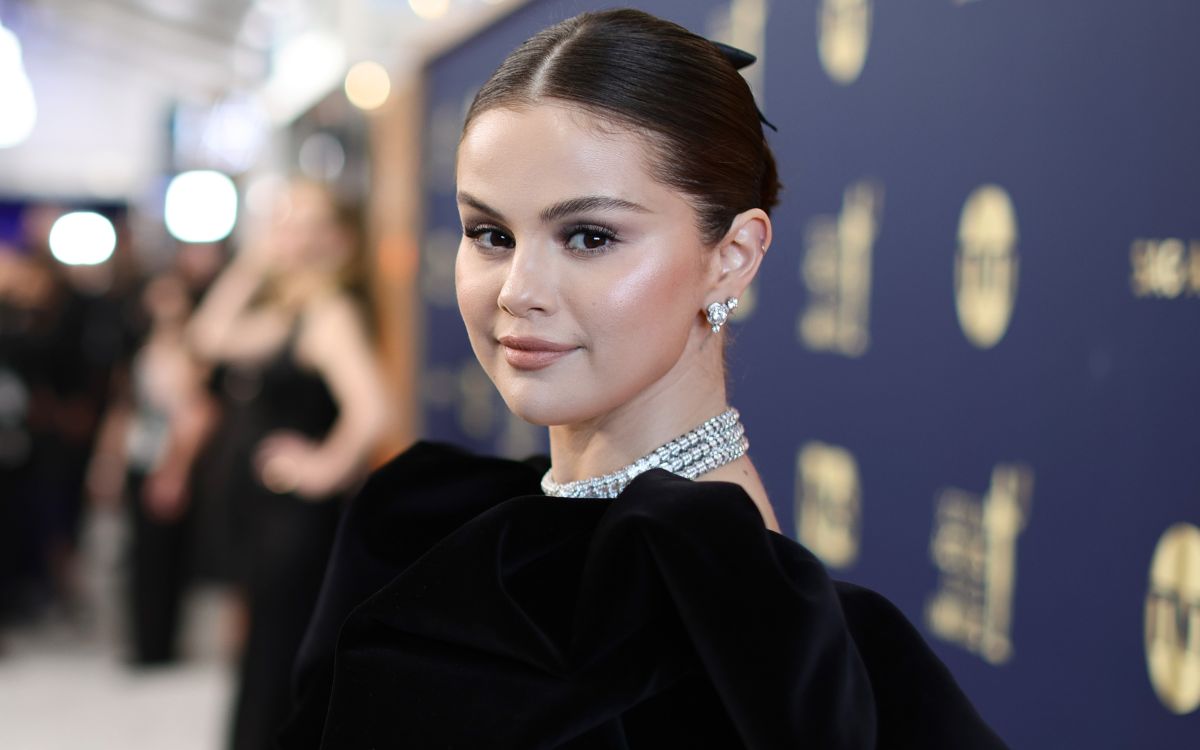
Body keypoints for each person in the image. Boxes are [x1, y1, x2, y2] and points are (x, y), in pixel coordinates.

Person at [282, 9, 1008, 749]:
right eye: (491, 235)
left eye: (590, 236)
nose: (517, 289)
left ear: (732, 257)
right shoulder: (423, 521)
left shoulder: (749, 642)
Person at [187, 180, 389, 750]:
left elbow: (374, 408)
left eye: (300, 219)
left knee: (280, 663)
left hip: (294, 524)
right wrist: (253, 260)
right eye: (282, 217)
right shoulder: (288, 307)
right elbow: (207, 338)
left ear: (334, 239)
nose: (285, 227)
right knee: (261, 658)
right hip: (263, 519)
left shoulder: (330, 311)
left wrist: (322, 467)